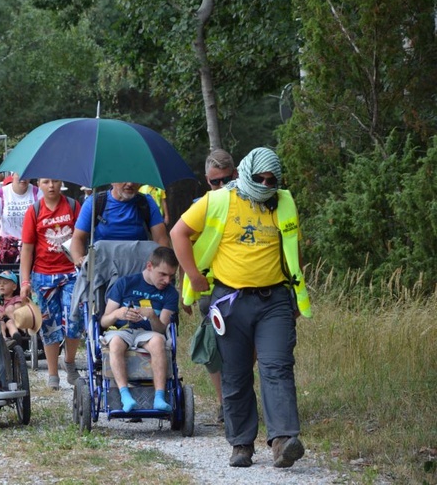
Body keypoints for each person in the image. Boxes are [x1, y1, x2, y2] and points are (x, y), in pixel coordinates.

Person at [171, 147, 311, 468]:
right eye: (258, 178)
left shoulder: (284, 202)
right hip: (230, 301)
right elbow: (179, 233)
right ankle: (241, 444)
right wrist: (193, 276)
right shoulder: (219, 200)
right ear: (245, 174)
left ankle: (283, 440)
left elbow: (293, 248)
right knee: (235, 373)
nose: (264, 184)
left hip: (274, 300)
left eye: (271, 179)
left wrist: (297, 291)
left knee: (277, 367)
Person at [189, 148, 238, 423]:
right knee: (212, 349)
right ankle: (224, 403)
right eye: (214, 182)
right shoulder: (201, 205)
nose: (220, 186)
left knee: (241, 349)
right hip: (209, 289)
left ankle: (235, 395)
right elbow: (186, 244)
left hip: (240, 286)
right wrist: (190, 287)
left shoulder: (249, 201)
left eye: (225, 180)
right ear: (206, 180)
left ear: (235, 175)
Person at [99, 246, 179, 412]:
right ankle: (125, 394)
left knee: (158, 342)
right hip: (122, 331)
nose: (166, 280)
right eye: (162, 274)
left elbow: (162, 329)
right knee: (115, 343)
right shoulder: (125, 283)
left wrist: (152, 316)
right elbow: (104, 322)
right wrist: (118, 314)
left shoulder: (170, 293)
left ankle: (159, 396)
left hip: (148, 333)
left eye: (171, 276)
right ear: (149, 266)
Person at [19, 178, 81, 389]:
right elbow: (26, 249)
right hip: (43, 276)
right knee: (49, 326)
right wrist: (25, 281)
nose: (51, 186)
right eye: (46, 182)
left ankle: (70, 363)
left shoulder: (73, 206)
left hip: (71, 273)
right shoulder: (34, 211)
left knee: (74, 320)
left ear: (61, 182)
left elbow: (82, 237)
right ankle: (53, 374)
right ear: (39, 184)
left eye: (55, 181)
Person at [69, 182, 169, 268]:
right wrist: (79, 259)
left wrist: (162, 267)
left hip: (137, 270)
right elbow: (78, 238)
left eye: (135, 178)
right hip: (102, 270)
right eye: (125, 177)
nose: (130, 183)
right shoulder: (95, 202)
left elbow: (161, 239)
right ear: (112, 181)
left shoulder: (146, 203)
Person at [0, 172, 40, 241]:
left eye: (26, 175)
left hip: (32, 243)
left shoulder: (38, 193)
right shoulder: (0, 194)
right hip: (7, 245)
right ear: (12, 175)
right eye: (19, 174)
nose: (23, 179)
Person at [0, 270, 22, 342]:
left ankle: (16, 336)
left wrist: (4, 313)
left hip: (13, 320)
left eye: (5, 283)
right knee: (1, 324)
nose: (1, 285)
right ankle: (3, 339)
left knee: (10, 322)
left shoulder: (16, 298)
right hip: (0, 321)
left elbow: (18, 310)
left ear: (14, 286)